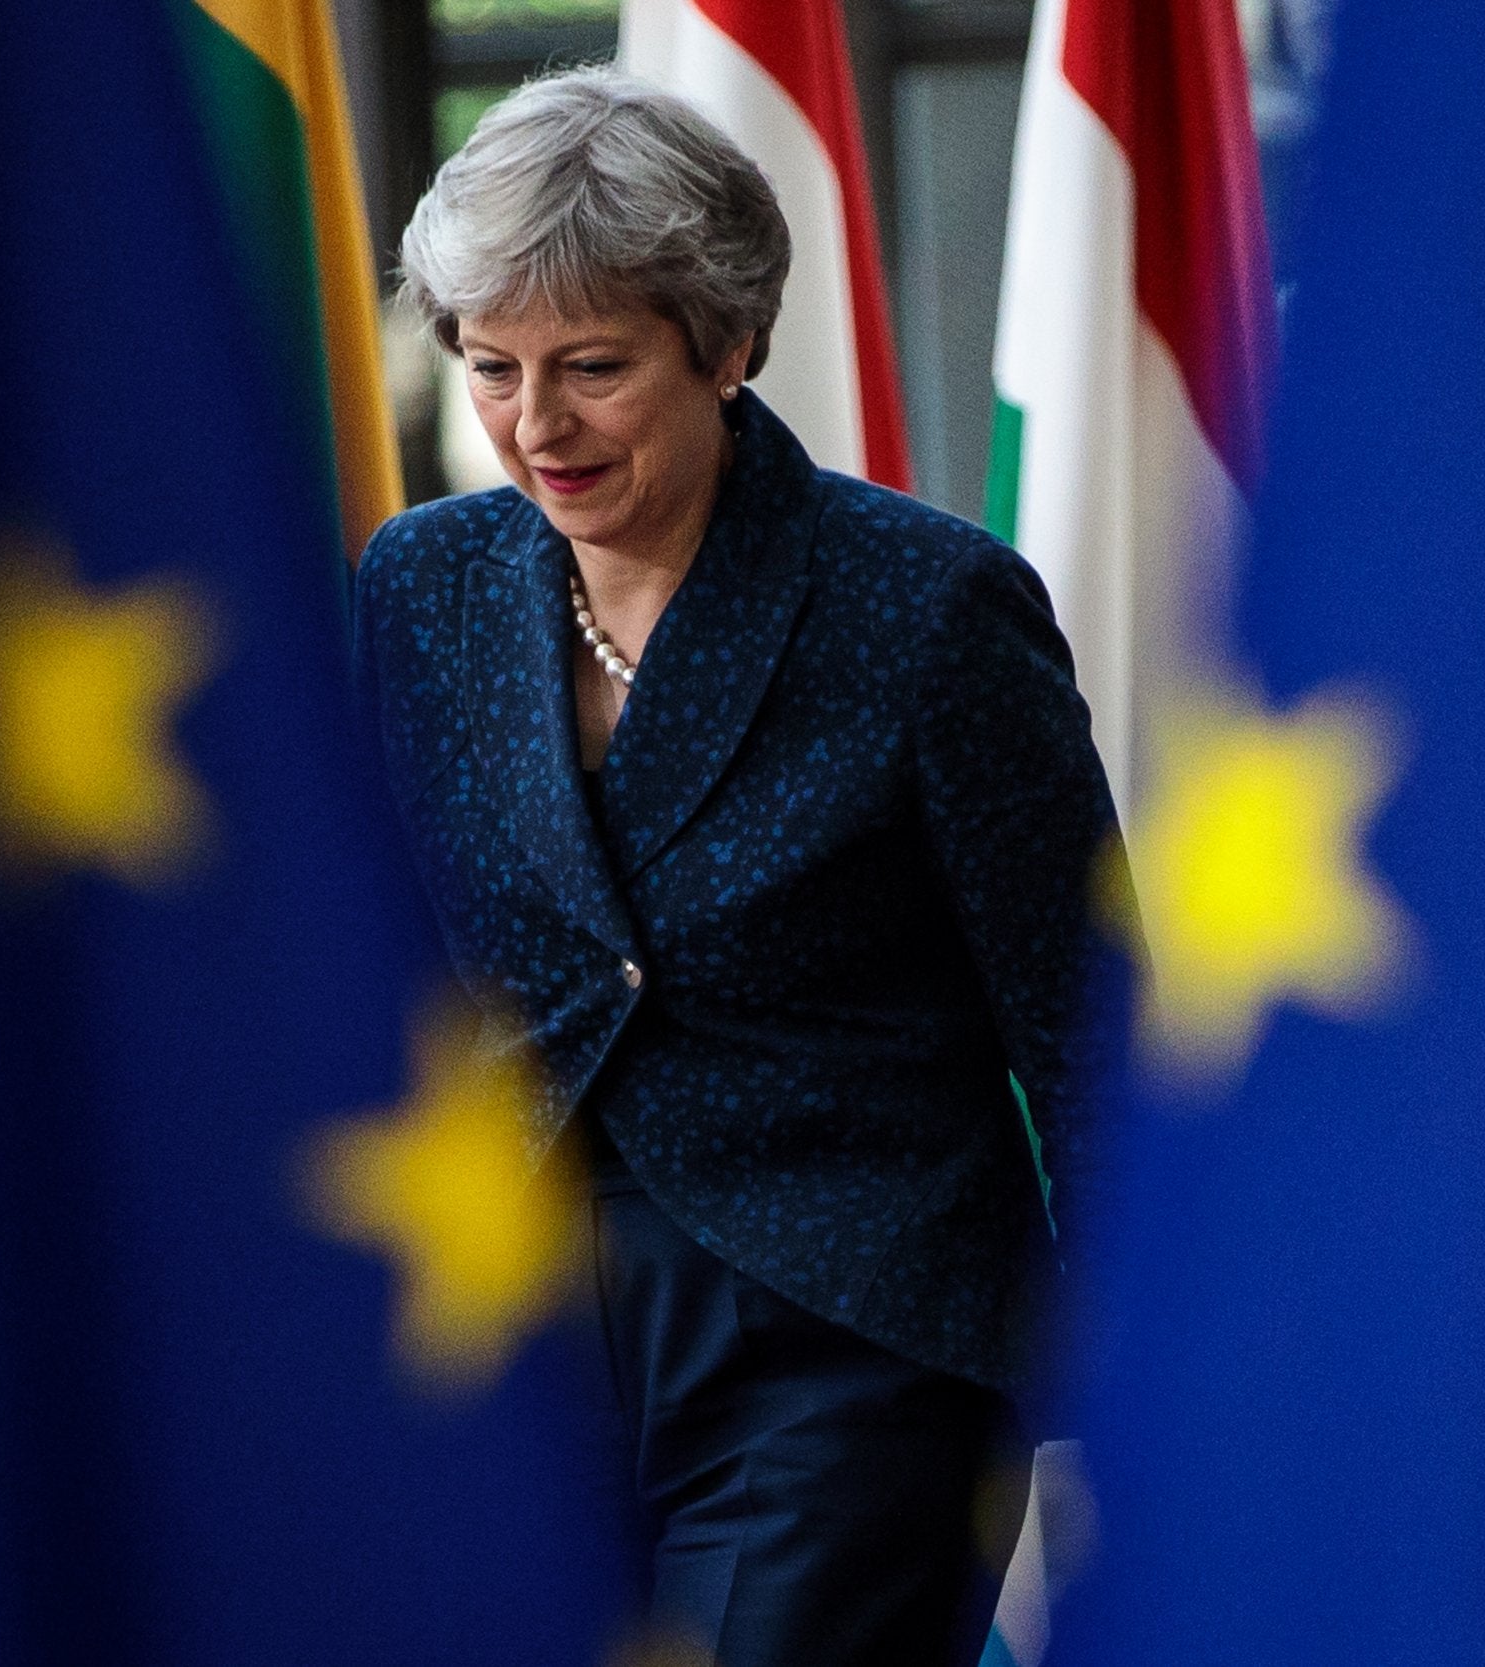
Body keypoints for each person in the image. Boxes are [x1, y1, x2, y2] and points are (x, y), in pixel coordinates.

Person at [355, 67, 1125, 1667]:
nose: (534, 427)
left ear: (727, 346)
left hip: (844, 1337)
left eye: (592, 368)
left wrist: (1159, 1365)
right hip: (509, 1331)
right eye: (490, 368)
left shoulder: (924, 609)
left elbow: (1093, 1019)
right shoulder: (421, 588)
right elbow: (375, 963)